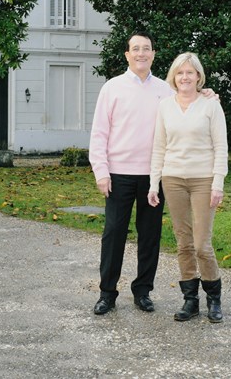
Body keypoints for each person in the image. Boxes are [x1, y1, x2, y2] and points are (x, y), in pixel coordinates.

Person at [88, 32, 173, 315]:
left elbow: (189, 104)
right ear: (127, 55)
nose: (141, 53)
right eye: (135, 49)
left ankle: (143, 291)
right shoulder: (112, 88)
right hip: (118, 174)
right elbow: (99, 133)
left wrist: (208, 94)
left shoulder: (165, 90)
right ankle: (107, 293)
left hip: (152, 177)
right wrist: (101, 172)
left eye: (146, 49)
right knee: (114, 234)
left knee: (150, 235)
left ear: (153, 54)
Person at [148, 52, 228, 323]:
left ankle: (213, 300)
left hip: (203, 180)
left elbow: (221, 147)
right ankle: (190, 300)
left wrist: (218, 183)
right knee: (183, 243)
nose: (184, 77)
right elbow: (159, 146)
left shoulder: (210, 105)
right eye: (180, 72)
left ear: (198, 77)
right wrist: (153, 183)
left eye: (190, 72)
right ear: (174, 76)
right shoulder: (165, 106)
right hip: (173, 180)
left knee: (202, 245)